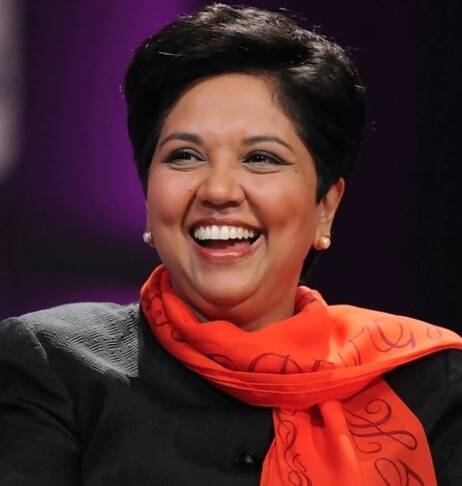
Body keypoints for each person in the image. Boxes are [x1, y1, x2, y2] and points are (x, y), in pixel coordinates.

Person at [1, 3, 461, 485]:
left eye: (261, 158)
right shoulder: (53, 365)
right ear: (148, 197)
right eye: (185, 156)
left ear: (325, 205)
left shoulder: (430, 384)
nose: (219, 190)